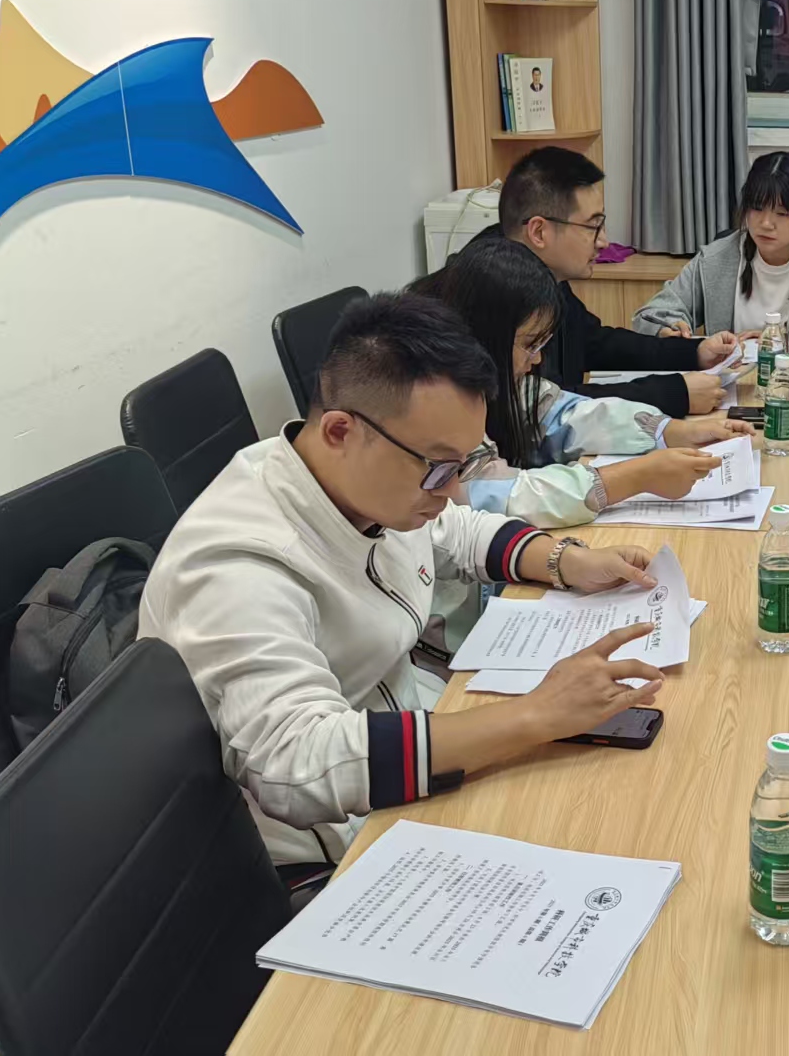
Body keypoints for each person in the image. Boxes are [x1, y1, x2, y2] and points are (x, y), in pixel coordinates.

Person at [139, 293, 672, 869]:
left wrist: (566, 560)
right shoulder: (238, 564)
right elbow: (296, 763)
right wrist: (534, 716)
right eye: (439, 468)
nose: (452, 490)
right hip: (333, 839)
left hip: (412, 726)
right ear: (340, 431)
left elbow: (456, 530)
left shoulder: (357, 480)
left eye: (462, 465)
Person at [417, 237, 752, 525]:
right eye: (530, 344)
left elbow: (562, 413)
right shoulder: (434, 397)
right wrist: (634, 477)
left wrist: (667, 431)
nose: (537, 360)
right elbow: (492, 496)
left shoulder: (492, 371)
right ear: (489, 334)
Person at [485, 147, 739, 419]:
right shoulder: (493, 289)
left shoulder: (543, 272)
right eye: (592, 227)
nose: (604, 242)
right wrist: (675, 393)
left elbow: (595, 343)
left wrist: (693, 352)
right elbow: (550, 406)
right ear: (539, 232)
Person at [631, 151, 789, 342]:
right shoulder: (716, 259)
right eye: (756, 209)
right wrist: (668, 328)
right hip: (731, 380)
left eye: (781, 213)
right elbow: (649, 315)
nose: (765, 223)